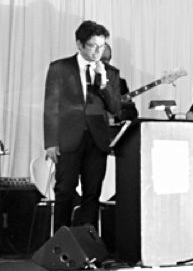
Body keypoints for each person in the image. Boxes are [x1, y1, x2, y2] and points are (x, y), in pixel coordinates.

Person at [43, 20, 136, 230]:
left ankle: (87, 240)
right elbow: (51, 107)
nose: (97, 51)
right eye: (93, 46)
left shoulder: (111, 73)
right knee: (64, 190)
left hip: (97, 140)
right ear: (80, 44)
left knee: (92, 193)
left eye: (101, 46)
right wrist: (51, 142)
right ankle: (61, 240)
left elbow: (115, 108)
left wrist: (103, 83)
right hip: (68, 138)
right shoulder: (60, 68)